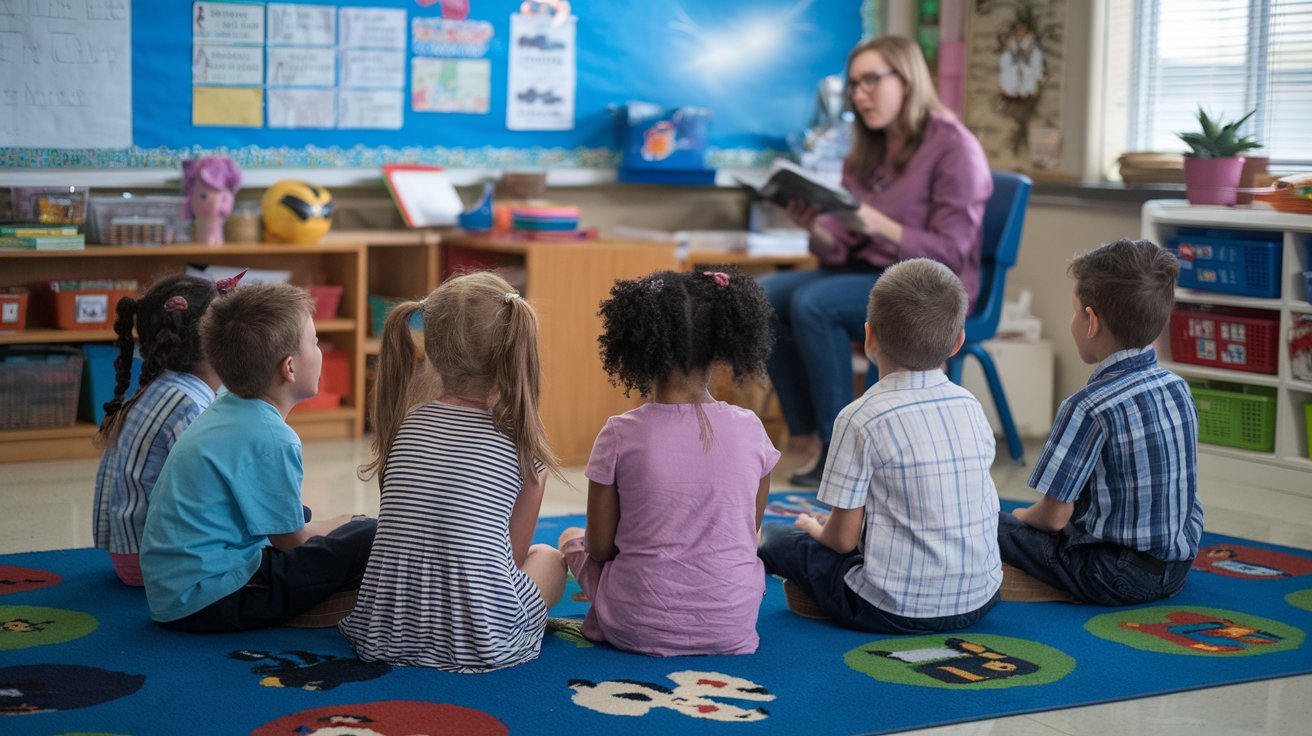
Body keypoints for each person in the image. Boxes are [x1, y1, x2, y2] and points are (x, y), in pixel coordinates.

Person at [761, 35, 992, 487]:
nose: (859, 94)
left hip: (930, 285)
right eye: (853, 85)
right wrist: (815, 226)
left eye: (871, 81)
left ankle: (839, 448)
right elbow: (843, 248)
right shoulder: (867, 147)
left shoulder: (954, 147)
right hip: (867, 271)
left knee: (815, 303)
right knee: (765, 294)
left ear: (907, 80)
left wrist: (877, 223)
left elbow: (952, 251)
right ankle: (807, 434)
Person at [339, 272, 567, 673]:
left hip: (387, 632)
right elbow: (509, 560)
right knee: (548, 556)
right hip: (482, 640)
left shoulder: (406, 425)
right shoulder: (522, 449)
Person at [758, 259, 1001, 633]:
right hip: (981, 598)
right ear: (957, 343)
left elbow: (841, 541)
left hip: (892, 608)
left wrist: (813, 527)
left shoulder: (860, 418)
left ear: (869, 337)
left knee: (775, 538)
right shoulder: (971, 405)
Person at [556, 268, 780, 656]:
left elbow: (602, 549)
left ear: (635, 345)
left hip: (634, 625)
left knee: (568, 538)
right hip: (732, 623)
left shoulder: (619, 433)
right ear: (724, 346)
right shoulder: (752, 429)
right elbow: (749, 530)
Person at [139, 282, 376, 632]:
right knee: (368, 536)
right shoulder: (273, 438)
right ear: (290, 368)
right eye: (314, 342)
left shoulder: (227, 402)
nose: (320, 350)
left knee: (310, 519)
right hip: (213, 599)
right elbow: (292, 542)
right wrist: (343, 523)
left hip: (176, 589)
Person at [998, 238, 1201, 605]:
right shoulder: (1177, 387)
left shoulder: (1087, 408)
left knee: (993, 524)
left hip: (1113, 577)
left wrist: (1022, 515)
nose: (1072, 320)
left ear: (1091, 322)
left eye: (1075, 311)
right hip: (1177, 567)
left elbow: (1053, 519)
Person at [92, 275, 222, 587]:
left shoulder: (164, 387)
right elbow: (202, 490)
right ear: (211, 343)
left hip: (129, 554)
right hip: (158, 560)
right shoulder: (189, 404)